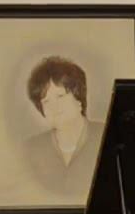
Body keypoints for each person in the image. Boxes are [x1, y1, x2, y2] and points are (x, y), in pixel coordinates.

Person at [22, 56, 107, 198]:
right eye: (46, 101)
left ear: (79, 98)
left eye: (60, 96)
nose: (54, 106)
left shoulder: (107, 135)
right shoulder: (31, 150)